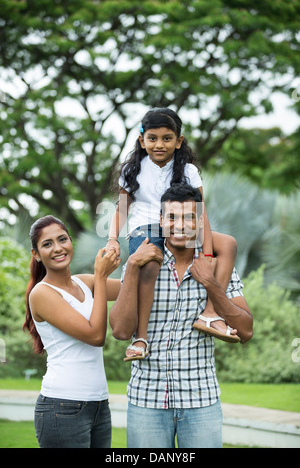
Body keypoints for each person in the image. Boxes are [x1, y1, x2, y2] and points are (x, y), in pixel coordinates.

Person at [109, 184, 253, 448]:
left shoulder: (215, 265)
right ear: (162, 220)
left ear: (200, 221)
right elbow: (119, 331)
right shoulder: (144, 262)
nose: (180, 225)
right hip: (147, 401)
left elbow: (246, 331)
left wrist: (211, 284)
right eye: (172, 217)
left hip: (201, 402)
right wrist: (130, 266)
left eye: (189, 217)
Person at [106, 107, 239, 362]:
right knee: (150, 262)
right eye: (152, 138)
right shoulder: (131, 170)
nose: (159, 144)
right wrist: (113, 238)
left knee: (229, 245)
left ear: (178, 141)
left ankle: (210, 315)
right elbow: (122, 209)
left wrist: (208, 252)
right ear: (141, 140)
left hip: (184, 226)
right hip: (147, 226)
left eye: (167, 138)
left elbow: (201, 213)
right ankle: (141, 337)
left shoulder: (188, 170)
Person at [23, 215, 121, 448]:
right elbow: (96, 336)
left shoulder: (85, 283)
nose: (57, 248)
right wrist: (100, 276)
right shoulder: (41, 293)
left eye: (62, 239)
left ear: (70, 242)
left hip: (98, 405)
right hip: (62, 407)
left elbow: (133, 288)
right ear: (36, 254)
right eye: (47, 244)